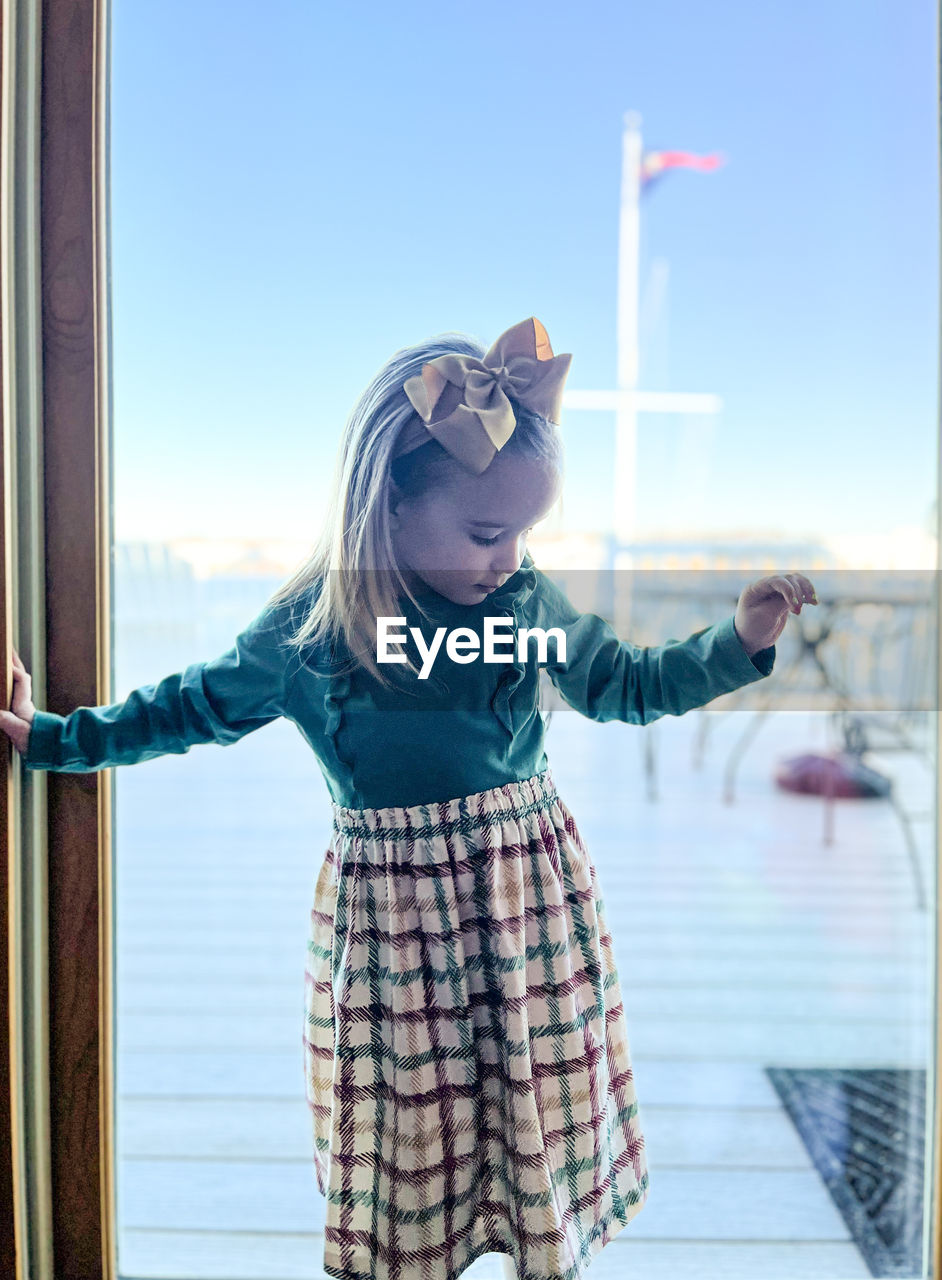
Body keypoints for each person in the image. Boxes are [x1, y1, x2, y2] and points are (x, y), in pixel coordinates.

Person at [1, 316, 816, 1280]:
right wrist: (58, 739)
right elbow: (190, 707)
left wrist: (738, 640)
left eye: (522, 533)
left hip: (527, 916)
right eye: (485, 532)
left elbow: (628, 683)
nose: (510, 557)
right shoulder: (310, 637)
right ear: (388, 504)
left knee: (531, 1120)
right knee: (408, 1146)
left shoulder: (523, 608)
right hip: (397, 937)